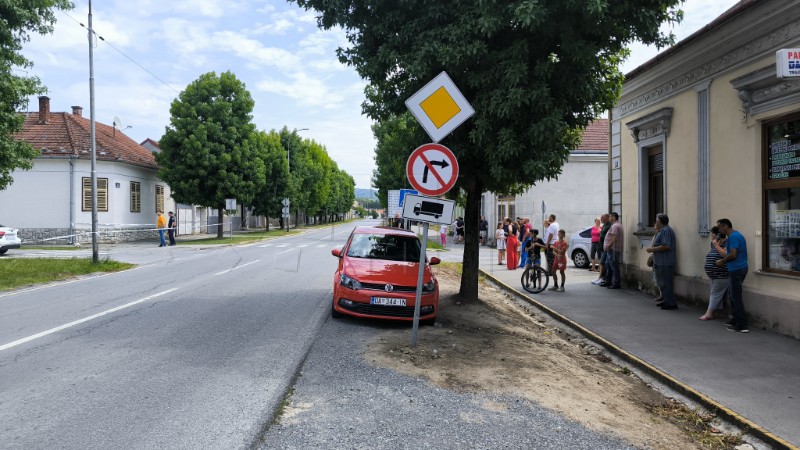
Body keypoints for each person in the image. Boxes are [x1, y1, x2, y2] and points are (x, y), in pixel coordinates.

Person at [715, 218, 749, 333]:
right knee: (732, 295)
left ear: (725, 226)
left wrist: (722, 261)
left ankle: (741, 324)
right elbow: (731, 253)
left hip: (737, 269)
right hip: (738, 268)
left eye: (720, 227)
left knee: (735, 297)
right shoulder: (736, 235)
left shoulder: (734, 237)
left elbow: (733, 255)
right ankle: (735, 319)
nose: (719, 230)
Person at [647, 214, 677, 309]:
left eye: (657, 221)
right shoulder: (662, 230)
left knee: (666, 283)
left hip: (665, 261)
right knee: (662, 283)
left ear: (660, 222)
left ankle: (670, 303)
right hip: (661, 261)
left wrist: (652, 249)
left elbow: (666, 246)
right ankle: (666, 300)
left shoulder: (666, 230)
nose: (655, 222)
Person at [699, 226, 728, 321]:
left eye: (712, 234)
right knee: (714, 293)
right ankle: (717, 311)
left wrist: (716, 246)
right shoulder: (714, 243)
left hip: (722, 274)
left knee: (715, 293)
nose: (711, 236)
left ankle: (709, 314)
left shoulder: (727, 243)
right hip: (713, 274)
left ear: (718, 235)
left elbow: (726, 255)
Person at [603, 212, 623, 289]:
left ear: (614, 217)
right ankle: (608, 281)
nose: (609, 218)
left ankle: (617, 283)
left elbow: (614, 238)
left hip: (613, 249)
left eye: (610, 216)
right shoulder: (616, 225)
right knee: (608, 265)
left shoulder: (615, 226)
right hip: (611, 249)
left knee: (614, 266)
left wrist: (609, 246)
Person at [592, 214, 611, 285]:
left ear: (607, 218)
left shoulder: (609, 226)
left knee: (603, 263)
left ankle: (602, 278)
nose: (601, 219)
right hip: (602, 247)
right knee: (603, 263)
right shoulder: (604, 225)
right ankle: (601, 277)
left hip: (606, 247)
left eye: (602, 218)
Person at [544, 214, 560, 291]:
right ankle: (551, 270)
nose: (548, 219)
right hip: (554, 242)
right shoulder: (556, 224)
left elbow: (550, 235)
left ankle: (550, 271)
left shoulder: (552, 225)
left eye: (550, 218)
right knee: (551, 258)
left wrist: (547, 243)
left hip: (551, 243)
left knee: (550, 258)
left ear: (552, 218)